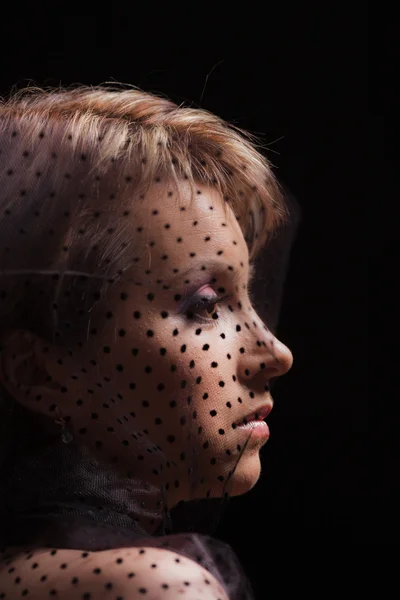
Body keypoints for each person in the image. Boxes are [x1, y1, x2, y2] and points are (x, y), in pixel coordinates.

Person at [0, 85, 296, 599]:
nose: (274, 354)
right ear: (40, 374)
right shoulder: (155, 586)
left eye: (247, 297)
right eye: (206, 305)